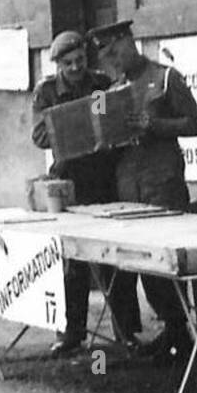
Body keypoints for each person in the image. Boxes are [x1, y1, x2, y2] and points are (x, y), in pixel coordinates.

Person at [87, 19, 197, 358]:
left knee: (165, 263)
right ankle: (165, 335)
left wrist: (154, 125)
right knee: (139, 264)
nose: (114, 62)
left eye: (116, 52)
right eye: (107, 58)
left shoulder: (167, 77)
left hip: (163, 184)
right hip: (129, 188)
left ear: (129, 42)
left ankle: (178, 333)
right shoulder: (113, 90)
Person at [31, 30, 140, 354]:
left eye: (80, 60)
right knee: (73, 259)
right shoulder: (46, 92)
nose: (76, 67)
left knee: (115, 257)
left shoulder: (102, 83)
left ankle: (126, 330)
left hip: (104, 177)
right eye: (69, 63)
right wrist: (71, 123)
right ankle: (72, 331)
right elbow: (38, 136)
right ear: (58, 65)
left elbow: (119, 119)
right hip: (69, 182)